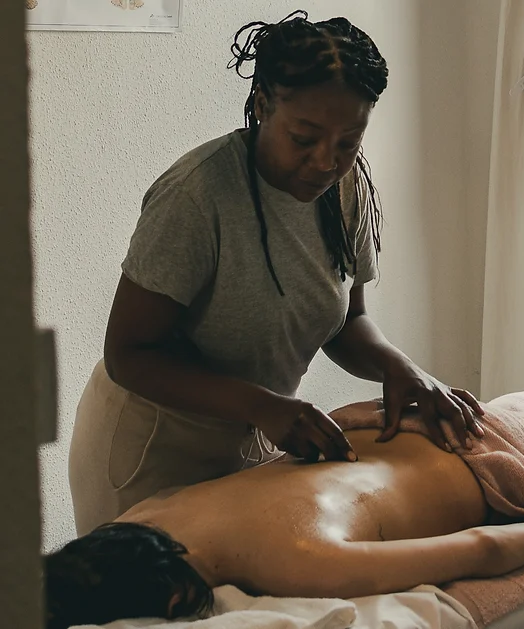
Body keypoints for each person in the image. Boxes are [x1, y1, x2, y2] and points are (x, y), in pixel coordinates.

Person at [68, 11, 484, 536]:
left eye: (347, 142)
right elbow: (128, 354)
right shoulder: (197, 197)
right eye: (304, 138)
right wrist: (265, 406)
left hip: (254, 427)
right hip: (151, 444)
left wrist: (401, 369)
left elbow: (346, 322)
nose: (324, 162)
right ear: (263, 105)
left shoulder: (347, 188)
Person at [46, 370, 524, 629]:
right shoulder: (148, 511)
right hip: (407, 427)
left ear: (170, 604)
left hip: (497, 468)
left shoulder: (294, 558)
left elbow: (481, 548)